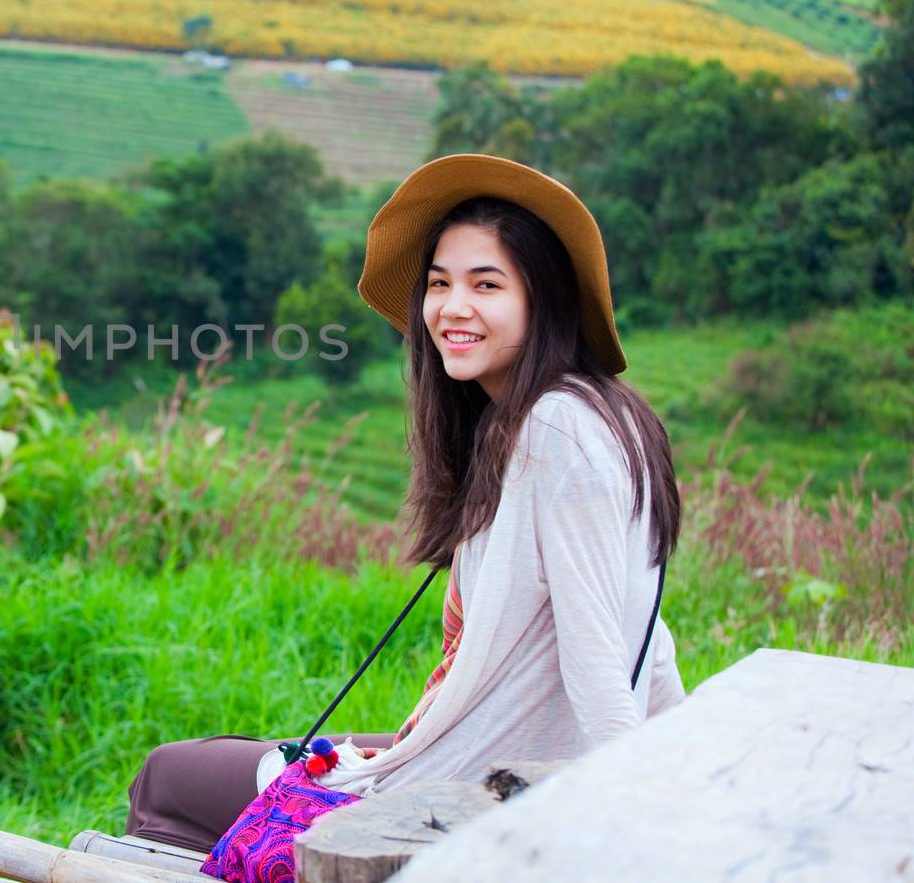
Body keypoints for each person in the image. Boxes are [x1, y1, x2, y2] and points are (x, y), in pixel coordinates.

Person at [123, 153, 686, 853]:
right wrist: (677, 760)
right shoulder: (602, 417)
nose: (453, 308)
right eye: (439, 284)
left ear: (546, 301)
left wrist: (651, 831)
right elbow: (648, 638)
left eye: (487, 284)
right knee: (240, 756)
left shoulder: (556, 428)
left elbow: (603, 651)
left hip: (474, 792)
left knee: (166, 780)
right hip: (480, 760)